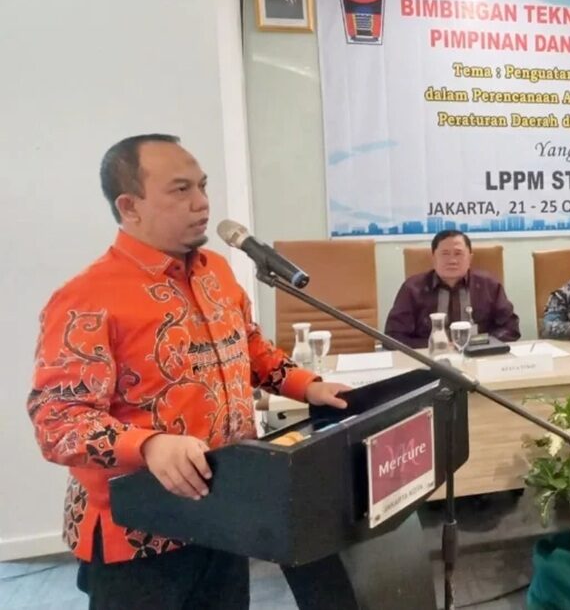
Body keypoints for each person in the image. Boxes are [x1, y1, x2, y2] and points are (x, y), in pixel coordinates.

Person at [28, 134, 349, 608]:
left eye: (202, 186)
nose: (202, 203)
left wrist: (308, 386)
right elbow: (57, 421)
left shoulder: (215, 270)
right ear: (129, 206)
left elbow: (248, 346)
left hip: (224, 510)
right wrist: (148, 445)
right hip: (137, 532)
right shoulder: (86, 297)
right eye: (181, 190)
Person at [385, 229, 520, 348]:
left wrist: (480, 344)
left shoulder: (489, 286)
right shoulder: (412, 288)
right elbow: (393, 337)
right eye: (445, 254)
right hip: (429, 358)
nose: (452, 260)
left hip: (479, 356)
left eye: (458, 253)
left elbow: (510, 329)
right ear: (433, 258)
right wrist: (436, 345)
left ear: (470, 258)